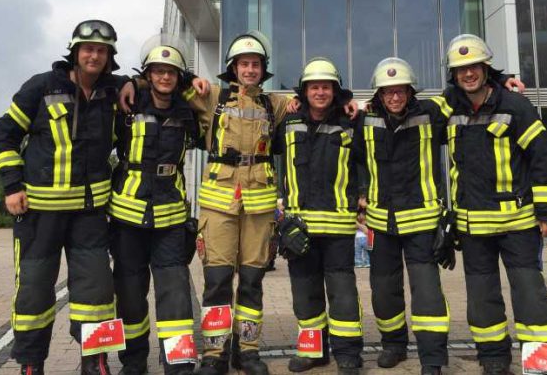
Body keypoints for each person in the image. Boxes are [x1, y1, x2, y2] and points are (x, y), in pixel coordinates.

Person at [0, 20, 133, 375]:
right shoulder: (40, 87)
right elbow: (2, 135)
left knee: (98, 293)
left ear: (110, 56)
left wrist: (132, 81)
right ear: (75, 52)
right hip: (40, 215)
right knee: (34, 293)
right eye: (88, 49)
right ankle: (31, 364)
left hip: (90, 215)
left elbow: (164, 83)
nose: (94, 55)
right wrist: (12, 185)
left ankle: (95, 361)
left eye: (101, 50)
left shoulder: (113, 93)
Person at [442, 34, 547, 375]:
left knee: (529, 291)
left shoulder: (514, 105)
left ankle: (540, 358)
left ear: (486, 68)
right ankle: (493, 358)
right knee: (482, 297)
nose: (468, 74)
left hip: (518, 224)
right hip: (474, 227)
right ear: (454, 75)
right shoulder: (450, 107)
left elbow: (542, 156)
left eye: (474, 67)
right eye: (461, 70)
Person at [188, 31, 294, 375]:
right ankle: (215, 354)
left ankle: (247, 351)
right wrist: (192, 80)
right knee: (217, 281)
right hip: (219, 207)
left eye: (256, 64)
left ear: (263, 70)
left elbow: (315, 101)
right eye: (244, 64)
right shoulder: (212, 97)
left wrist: (350, 102)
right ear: (233, 68)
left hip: (259, 209)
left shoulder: (274, 104)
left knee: (252, 281)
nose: (250, 69)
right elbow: (164, 82)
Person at [108, 42, 201, 375]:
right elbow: (106, 82)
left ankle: (178, 363)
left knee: (175, 294)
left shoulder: (187, 111)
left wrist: (197, 86)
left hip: (171, 219)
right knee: (130, 295)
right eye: (158, 71)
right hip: (127, 216)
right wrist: (127, 83)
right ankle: (133, 362)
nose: (165, 77)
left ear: (179, 77)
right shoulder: (128, 104)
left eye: (171, 72)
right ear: (147, 75)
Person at [355, 58, 449, 375]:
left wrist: (501, 83)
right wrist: (360, 191)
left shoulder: (431, 114)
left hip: (421, 224)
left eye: (400, 92)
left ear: (410, 92)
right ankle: (394, 345)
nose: (394, 98)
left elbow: (467, 99)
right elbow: (351, 158)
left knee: (427, 294)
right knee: (383, 292)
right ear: (379, 95)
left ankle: (432, 358)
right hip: (382, 225)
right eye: (388, 93)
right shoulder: (364, 120)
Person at [275, 58, 363, 375]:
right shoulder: (288, 123)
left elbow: (367, 163)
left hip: (338, 227)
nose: (321, 92)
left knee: (343, 295)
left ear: (335, 91)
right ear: (305, 91)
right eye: (315, 87)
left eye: (326, 87)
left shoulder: (352, 122)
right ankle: (313, 352)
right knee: (305, 294)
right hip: (300, 228)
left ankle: (349, 355)